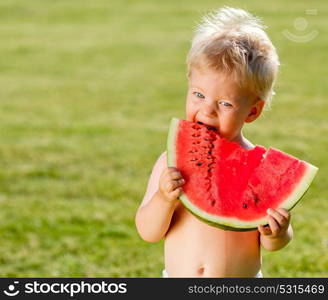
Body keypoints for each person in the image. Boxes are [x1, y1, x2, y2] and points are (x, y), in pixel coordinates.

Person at [135, 7, 293, 277]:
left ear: (252, 111)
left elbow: (272, 241)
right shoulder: (170, 163)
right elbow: (148, 232)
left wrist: (277, 232)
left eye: (225, 103)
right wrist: (163, 199)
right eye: (198, 95)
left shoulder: (260, 169)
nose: (207, 111)